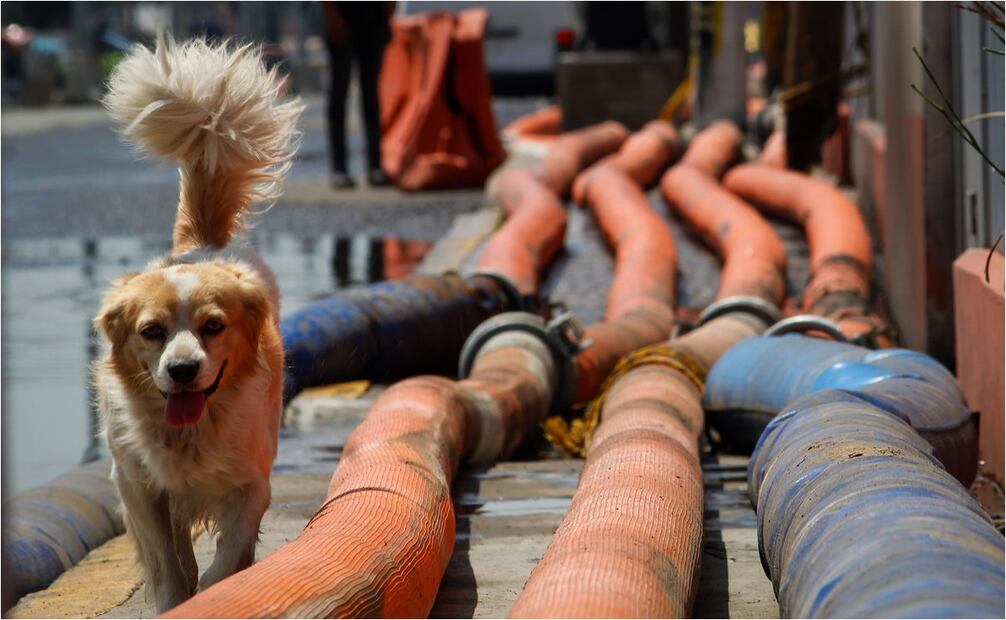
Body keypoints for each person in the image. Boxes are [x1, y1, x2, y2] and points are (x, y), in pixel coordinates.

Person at [322, 2, 395, 189]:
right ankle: (339, 169)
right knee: (339, 90)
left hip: (373, 13)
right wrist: (331, 14)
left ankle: (375, 166)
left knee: (371, 92)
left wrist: (388, 11)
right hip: (343, 10)